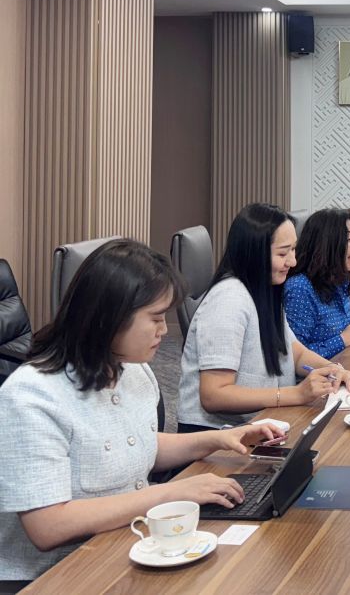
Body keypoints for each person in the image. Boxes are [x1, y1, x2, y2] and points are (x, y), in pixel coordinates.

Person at [0, 240, 284, 584]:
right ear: (110, 318)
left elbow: (137, 444)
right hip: (53, 575)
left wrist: (219, 439)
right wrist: (169, 493)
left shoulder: (131, 369)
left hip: (126, 542)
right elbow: (48, 526)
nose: (164, 330)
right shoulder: (32, 395)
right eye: (156, 318)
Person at [177, 203, 350, 432]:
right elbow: (214, 395)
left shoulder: (264, 289)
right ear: (255, 254)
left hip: (262, 423)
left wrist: (333, 369)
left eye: (293, 250)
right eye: (283, 253)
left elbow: (294, 352)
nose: (293, 262)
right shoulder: (228, 300)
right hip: (216, 435)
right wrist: (296, 394)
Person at [285, 208, 350, 357]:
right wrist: (344, 339)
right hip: (321, 371)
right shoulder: (300, 288)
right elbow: (295, 357)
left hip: (345, 364)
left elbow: (346, 328)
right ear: (329, 243)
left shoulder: (339, 279)